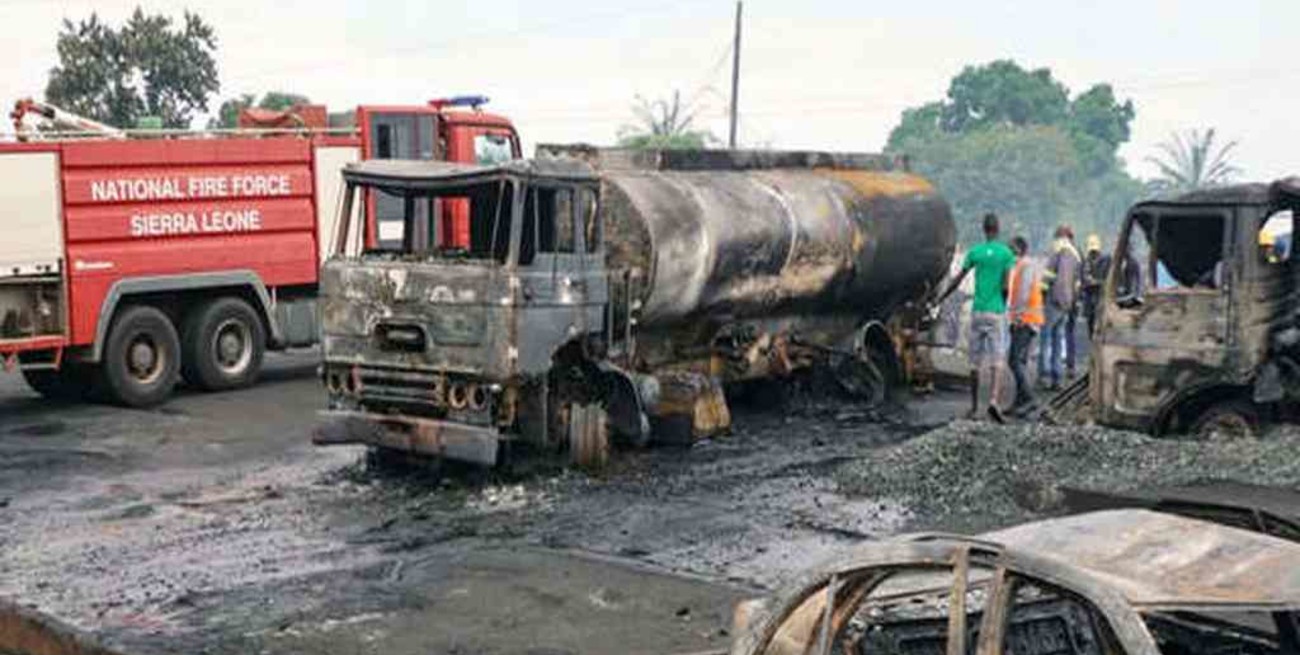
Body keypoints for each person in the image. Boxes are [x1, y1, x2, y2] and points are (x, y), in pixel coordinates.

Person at [937, 213, 1016, 422]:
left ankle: (973, 407)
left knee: (974, 361)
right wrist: (1003, 303)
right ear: (998, 229)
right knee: (997, 359)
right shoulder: (1006, 254)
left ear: (984, 229)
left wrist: (942, 298)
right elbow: (1006, 285)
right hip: (996, 311)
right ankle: (993, 401)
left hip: (978, 310)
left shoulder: (975, 252)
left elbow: (957, 279)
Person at [1038, 225, 1080, 391]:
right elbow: (1076, 283)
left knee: (1045, 339)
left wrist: (1042, 293)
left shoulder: (1058, 249)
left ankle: (1042, 376)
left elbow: (1048, 275)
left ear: (1061, 236)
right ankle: (1057, 378)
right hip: (1066, 304)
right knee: (1058, 340)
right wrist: (1071, 303)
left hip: (1053, 300)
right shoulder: (1076, 255)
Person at [1007, 236, 1044, 413]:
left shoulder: (1026, 266)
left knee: (1013, 361)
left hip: (1026, 320)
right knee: (1019, 361)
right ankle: (1019, 401)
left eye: (1011, 248)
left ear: (1019, 249)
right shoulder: (1021, 266)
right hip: (1025, 319)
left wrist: (1018, 318)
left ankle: (1029, 398)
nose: (1009, 251)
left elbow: (1023, 294)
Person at [1081, 234, 1108, 338]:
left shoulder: (1106, 261)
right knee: (1091, 330)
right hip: (1090, 300)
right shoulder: (1086, 262)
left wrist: (1096, 282)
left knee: (1100, 329)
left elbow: (1108, 279)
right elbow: (1084, 278)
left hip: (1101, 298)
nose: (1093, 254)